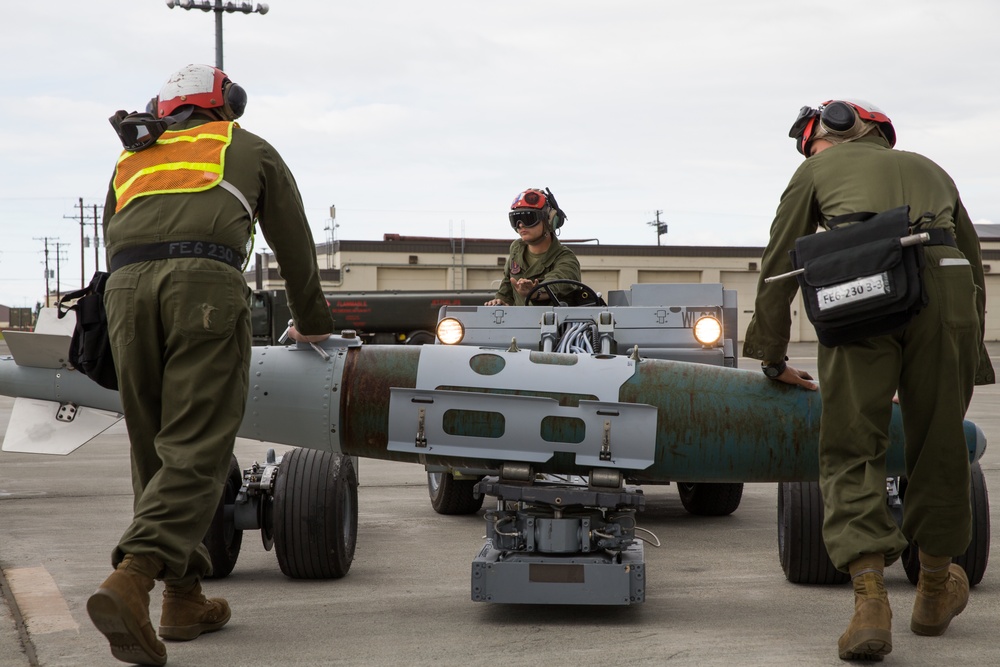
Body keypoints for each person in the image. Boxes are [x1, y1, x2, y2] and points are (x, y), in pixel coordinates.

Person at [88, 64, 334, 666]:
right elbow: (294, 244)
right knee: (197, 446)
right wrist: (315, 321)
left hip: (122, 296)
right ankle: (134, 576)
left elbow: (112, 234)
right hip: (202, 287)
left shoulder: (133, 157)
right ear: (224, 104)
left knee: (153, 446)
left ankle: (183, 598)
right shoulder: (245, 147)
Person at [744, 99, 994, 661]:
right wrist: (966, 362)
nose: (810, 153)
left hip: (861, 286)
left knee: (852, 443)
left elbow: (780, 263)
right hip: (948, 286)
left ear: (835, 132)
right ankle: (933, 592)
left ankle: (869, 604)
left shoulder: (814, 171)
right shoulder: (933, 168)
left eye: (811, 143)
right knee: (941, 444)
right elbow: (974, 266)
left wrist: (772, 355)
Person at [485, 187, 582, 306]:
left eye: (528, 218)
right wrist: (501, 301)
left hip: (555, 323)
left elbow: (557, 283)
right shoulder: (516, 249)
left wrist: (536, 293)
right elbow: (507, 285)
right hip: (519, 323)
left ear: (549, 220)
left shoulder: (565, 259)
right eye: (516, 219)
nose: (520, 225)